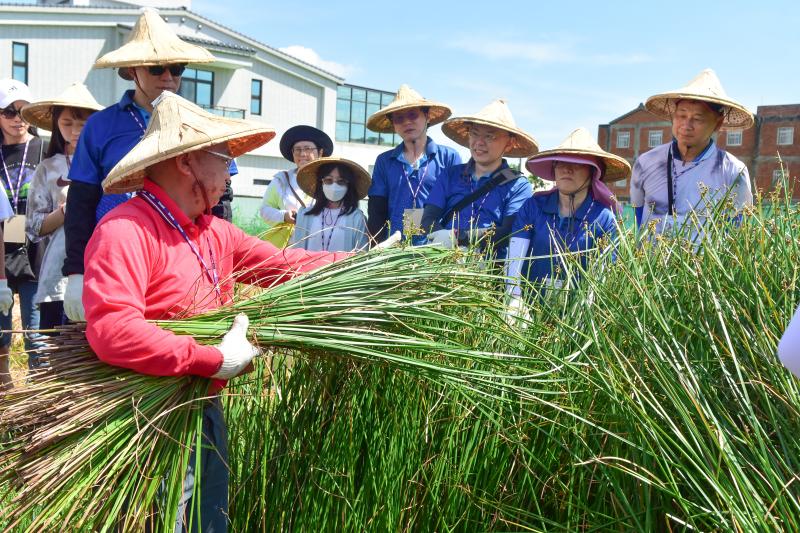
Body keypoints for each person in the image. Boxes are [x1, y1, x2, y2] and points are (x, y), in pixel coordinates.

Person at [83, 91, 348, 531]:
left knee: (210, 520)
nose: (231, 171)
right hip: (150, 418)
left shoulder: (214, 231)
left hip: (204, 404)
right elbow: (113, 330)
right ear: (187, 162)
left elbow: (286, 267)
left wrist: (363, 263)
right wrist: (212, 359)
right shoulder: (126, 230)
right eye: (224, 159)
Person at [62, 7, 237, 323]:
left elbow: (221, 202)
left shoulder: (203, 126)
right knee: (120, 344)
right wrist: (76, 270)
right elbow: (81, 201)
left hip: (182, 257)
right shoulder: (101, 126)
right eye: (157, 68)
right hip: (118, 254)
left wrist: (219, 263)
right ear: (132, 70)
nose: (169, 77)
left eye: (177, 67)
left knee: (186, 345)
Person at [505, 127, 629, 308]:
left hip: (579, 313)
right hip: (528, 309)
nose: (567, 170)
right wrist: (514, 300)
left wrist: (583, 316)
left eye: (577, 164)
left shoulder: (604, 219)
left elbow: (603, 276)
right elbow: (515, 258)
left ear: (592, 172)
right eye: (560, 164)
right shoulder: (533, 207)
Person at [631, 68, 754, 240]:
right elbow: (638, 216)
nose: (686, 125)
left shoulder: (733, 171)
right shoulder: (645, 163)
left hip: (704, 266)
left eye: (697, 119)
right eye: (681, 115)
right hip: (650, 264)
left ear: (718, 123)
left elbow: (737, 231)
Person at [22, 83, 103, 333]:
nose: (76, 131)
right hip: (58, 273)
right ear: (56, 124)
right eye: (67, 123)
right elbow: (33, 227)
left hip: (101, 266)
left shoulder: (108, 163)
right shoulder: (47, 168)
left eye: (83, 123)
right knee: (55, 349)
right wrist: (67, 211)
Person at [420, 99, 537, 255]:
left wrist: (458, 237)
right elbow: (428, 218)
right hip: (443, 262)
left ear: (509, 143)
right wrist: (445, 248)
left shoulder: (518, 185)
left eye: (490, 136)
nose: (479, 143)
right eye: (474, 134)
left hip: (489, 270)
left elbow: (510, 230)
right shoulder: (450, 174)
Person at [366, 85, 461, 245]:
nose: (407, 122)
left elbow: (457, 206)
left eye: (413, 115)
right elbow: (376, 210)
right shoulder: (384, 161)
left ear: (427, 116)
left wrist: (451, 241)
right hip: (395, 248)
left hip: (436, 248)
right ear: (393, 124)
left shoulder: (449, 158)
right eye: (399, 118)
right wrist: (376, 247)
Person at [0, 78, 47, 377]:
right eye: (8, 111)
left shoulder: (44, 148)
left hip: (36, 251)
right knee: (0, 336)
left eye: (23, 110)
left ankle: (41, 400)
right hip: (1, 252)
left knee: (37, 333)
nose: (18, 118)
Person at [259, 125, 333, 247]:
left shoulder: (330, 181)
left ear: (320, 152)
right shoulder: (281, 180)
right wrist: (283, 216)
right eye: (297, 149)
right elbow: (265, 210)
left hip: (320, 246)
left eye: (308, 148)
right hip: (286, 248)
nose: (302, 154)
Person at [290, 156, 370, 252]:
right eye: (328, 180)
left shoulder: (357, 218)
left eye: (341, 181)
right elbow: (296, 252)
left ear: (349, 185)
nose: (334, 186)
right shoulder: (305, 215)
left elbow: (361, 254)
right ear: (321, 183)